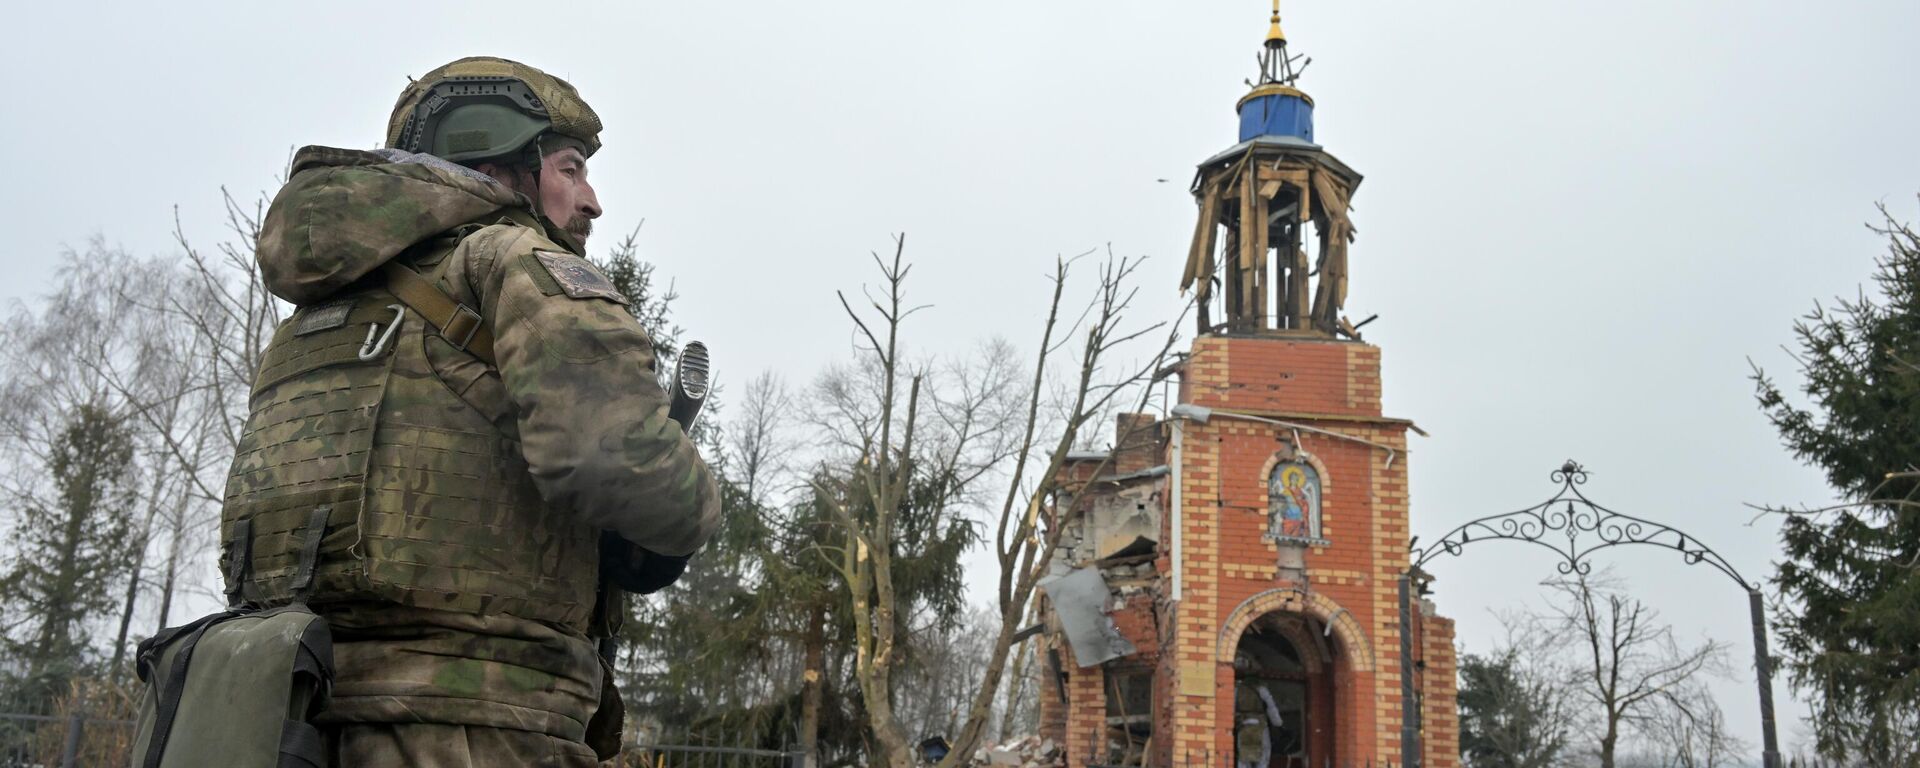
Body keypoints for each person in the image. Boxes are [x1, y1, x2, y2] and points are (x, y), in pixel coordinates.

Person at [222, 56, 720, 766]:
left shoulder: (320, 312)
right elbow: (622, 463)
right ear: (502, 160)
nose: (592, 201)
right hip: (476, 722)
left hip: (283, 713)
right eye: (571, 168)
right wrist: (694, 494)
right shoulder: (517, 262)